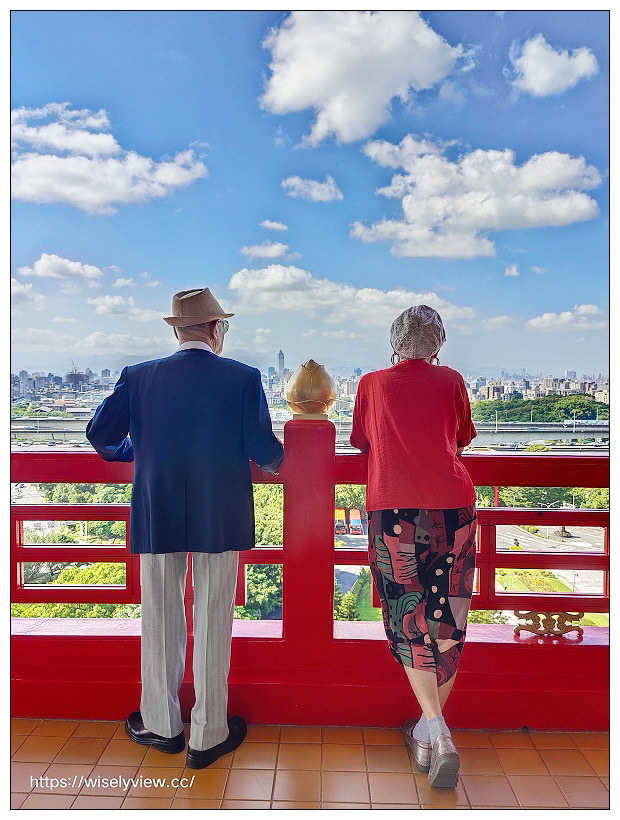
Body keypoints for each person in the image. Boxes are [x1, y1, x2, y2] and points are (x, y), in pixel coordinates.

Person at [86, 287, 283, 769]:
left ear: (175, 329)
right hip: (220, 512)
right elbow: (266, 451)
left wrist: (137, 454)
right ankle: (208, 734)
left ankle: (161, 725)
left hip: (159, 509)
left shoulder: (139, 377)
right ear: (217, 330)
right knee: (215, 618)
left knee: (160, 618)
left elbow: (101, 435)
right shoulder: (243, 377)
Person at [350, 305, 477, 789]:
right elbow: (461, 438)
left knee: (408, 615)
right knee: (447, 618)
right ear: (438, 345)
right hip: (454, 509)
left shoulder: (372, 384)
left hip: (393, 512)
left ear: (395, 342)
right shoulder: (452, 381)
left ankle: (436, 730)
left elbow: (364, 440)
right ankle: (430, 730)